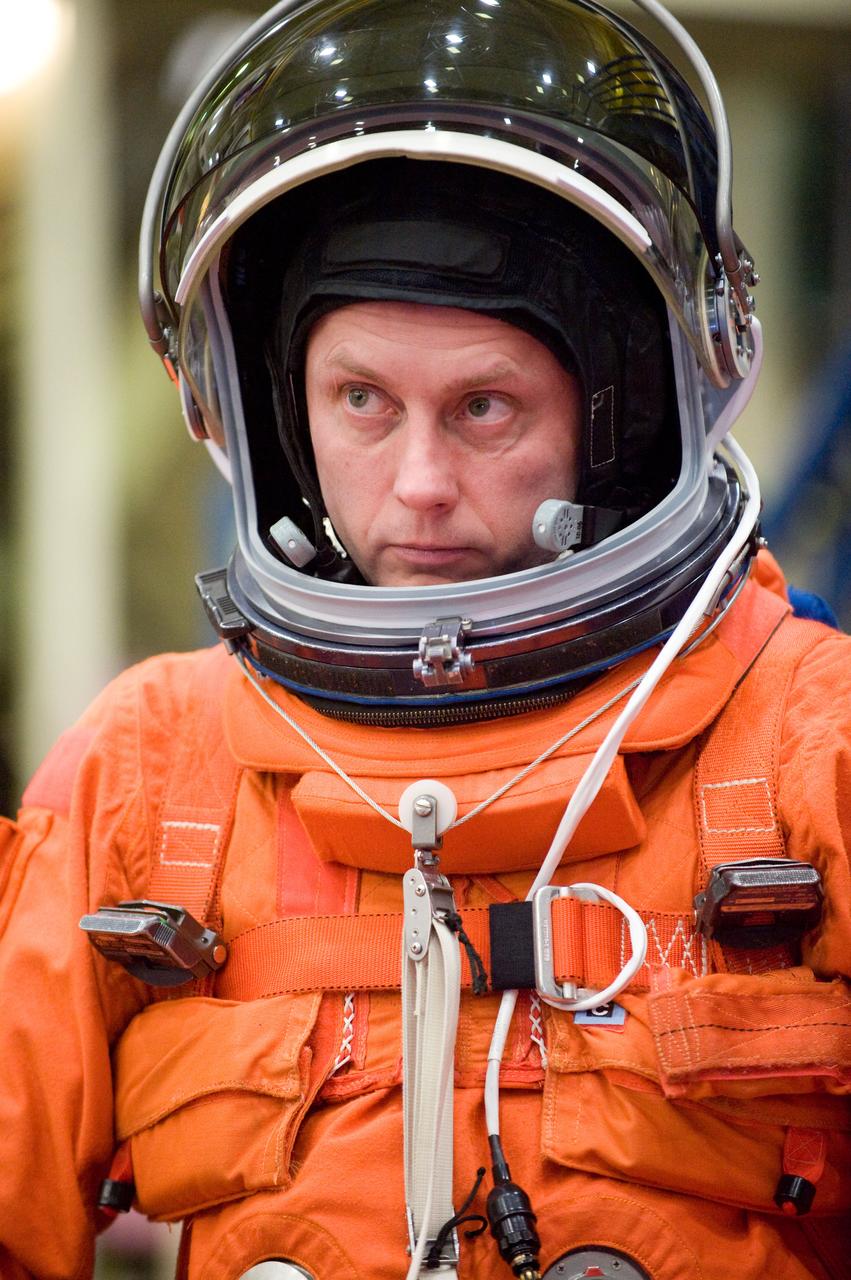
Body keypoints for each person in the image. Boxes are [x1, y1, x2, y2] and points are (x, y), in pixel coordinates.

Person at [1, 1, 849, 1278]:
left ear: (613, 420)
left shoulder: (803, 743)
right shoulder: (151, 771)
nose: (416, 485)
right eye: (359, 401)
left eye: (483, 406)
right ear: (281, 419)